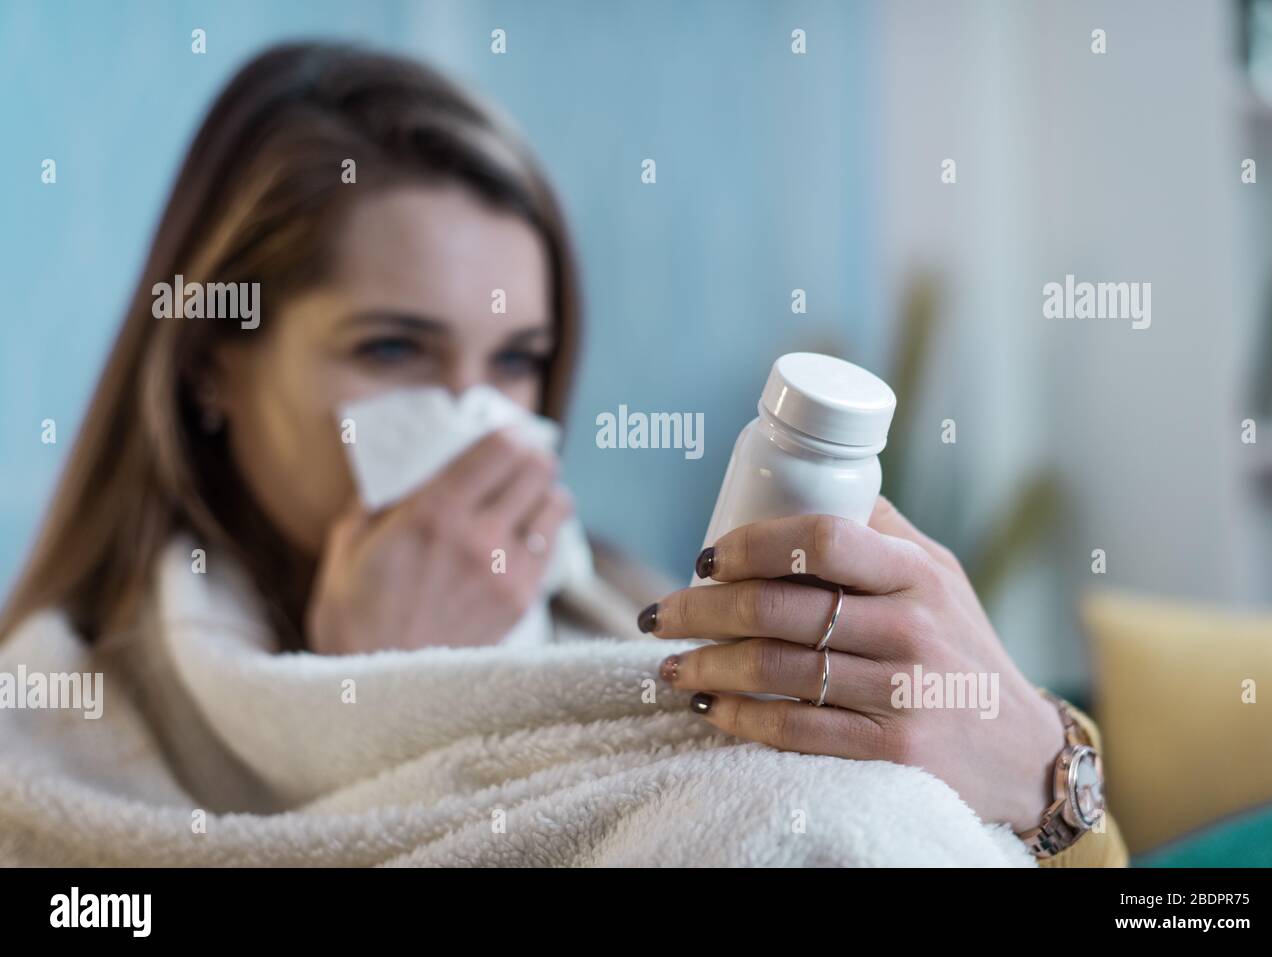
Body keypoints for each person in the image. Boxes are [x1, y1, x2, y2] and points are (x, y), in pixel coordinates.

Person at [0, 42, 1125, 866]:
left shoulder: (648, 609)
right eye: (394, 348)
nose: (478, 420)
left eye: (518, 361)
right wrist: (397, 713)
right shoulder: (54, 733)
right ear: (211, 365)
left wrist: (1043, 767)